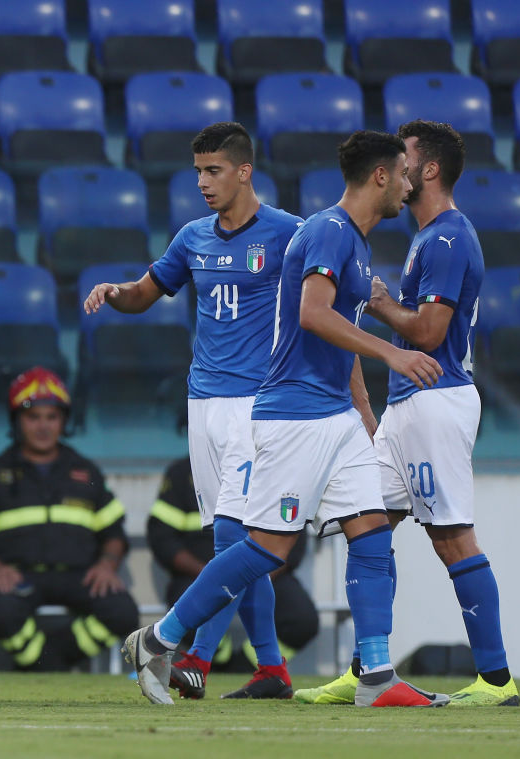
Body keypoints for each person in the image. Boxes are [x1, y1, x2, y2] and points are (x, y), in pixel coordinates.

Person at [122, 130, 450, 708]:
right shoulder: (325, 231)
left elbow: (336, 332)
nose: (409, 184)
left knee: (370, 530)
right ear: (379, 176)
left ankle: (376, 675)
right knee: (265, 548)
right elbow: (313, 314)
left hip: (332, 413)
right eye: (403, 174)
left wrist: (362, 407)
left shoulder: (348, 238)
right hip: (293, 413)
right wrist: (392, 352)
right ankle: (160, 638)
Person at [294, 120, 518, 707]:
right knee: (365, 525)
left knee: (452, 538)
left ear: (430, 170)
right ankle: (367, 670)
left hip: (436, 400)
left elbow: (429, 330)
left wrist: (382, 300)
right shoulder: (428, 237)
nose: (397, 164)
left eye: (407, 156)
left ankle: (496, 681)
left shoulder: (447, 239)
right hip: (404, 407)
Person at [84, 122, 302, 700]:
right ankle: (273, 670)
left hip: (262, 404)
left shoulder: (288, 233)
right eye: (198, 171)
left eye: (214, 171)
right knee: (231, 543)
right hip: (203, 404)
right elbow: (145, 291)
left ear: (244, 170)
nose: (203, 182)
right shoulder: (193, 237)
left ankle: (196, 658)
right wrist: (115, 292)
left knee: (237, 534)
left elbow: (329, 291)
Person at [0, 367, 139, 672]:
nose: (43, 426)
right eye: (33, 417)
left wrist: (107, 564)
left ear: (64, 421)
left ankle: (47, 662)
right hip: (20, 577)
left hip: (79, 575)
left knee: (122, 612)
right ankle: (50, 663)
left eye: (51, 417)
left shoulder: (85, 471)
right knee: (0, 610)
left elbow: (114, 532)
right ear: (16, 421)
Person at [147, 456, 318, 697]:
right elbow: (161, 537)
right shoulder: (183, 471)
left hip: (268, 567)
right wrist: (213, 576)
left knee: (300, 613)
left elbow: (292, 537)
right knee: (233, 545)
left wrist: (228, 573)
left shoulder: (273, 450)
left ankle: (186, 652)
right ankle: (266, 669)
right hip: (198, 571)